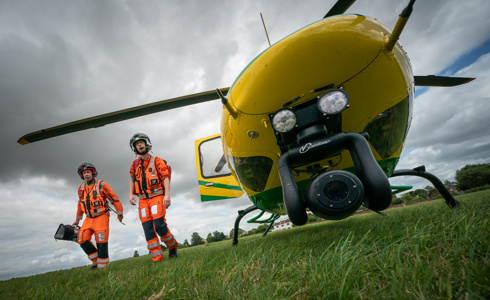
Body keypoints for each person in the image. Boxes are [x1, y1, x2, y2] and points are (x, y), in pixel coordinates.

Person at [129, 133, 178, 263]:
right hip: (143, 201)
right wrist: (130, 195)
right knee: (148, 229)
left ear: (147, 144)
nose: (139, 144)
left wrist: (167, 195)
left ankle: (172, 246)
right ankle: (157, 259)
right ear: (134, 148)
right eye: (136, 143)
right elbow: (132, 180)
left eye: (141, 142)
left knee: (159, 226)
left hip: (157, 197)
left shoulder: (157, 160)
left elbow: (165, 178)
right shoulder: (134, 165)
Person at [72, 163, 124, 270]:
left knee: (101, 240)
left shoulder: (101, 185)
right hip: (88, 218)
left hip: (102, 216)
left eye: (88, 172)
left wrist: (120, 212)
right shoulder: (81, 188)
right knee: (81, 238)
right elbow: (80, 204)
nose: (86, 174)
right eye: (84, 173)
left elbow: (114, 198)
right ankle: (96, 262)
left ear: (93, 173)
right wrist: (77, 220)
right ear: (82, 175)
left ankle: (102, 267)